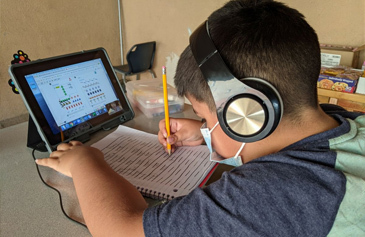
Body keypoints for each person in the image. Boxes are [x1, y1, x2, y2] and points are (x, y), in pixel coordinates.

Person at [37, 0, 365, 236]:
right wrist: (203, 132)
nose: (206, 128)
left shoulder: (271, 195)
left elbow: (120, 232)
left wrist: (84, 162)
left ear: (246, 115)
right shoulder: (348, 124)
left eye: (206, 118)